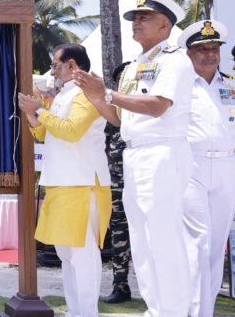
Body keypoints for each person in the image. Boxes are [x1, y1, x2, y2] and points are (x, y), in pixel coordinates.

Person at [75, 0, 194, 317]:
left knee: (163, 239)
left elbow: (158, 106)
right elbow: (117, 118)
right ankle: (156, 309)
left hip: (163, 152)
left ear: (165, 24)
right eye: (134, 18)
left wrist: (108, 94)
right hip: (135, 154)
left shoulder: (174, 59)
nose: (136, 22)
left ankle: (174, 311)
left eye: (144, 17)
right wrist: (97, 97)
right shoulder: (135, 66)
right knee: (141, 242)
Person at [18, 44, 111, 317]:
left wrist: (41, 111)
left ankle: (88, 312)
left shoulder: (86, 93)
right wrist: (32, 116)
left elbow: (72, 132)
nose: (53, 70)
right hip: (62, 181)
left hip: (82, 183)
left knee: (83, 255)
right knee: (66, 255)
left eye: (56, 65)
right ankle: (75, 311)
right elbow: (46, 135)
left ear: (71, 64)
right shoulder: (64, 94)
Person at [177, 20, 235, 317]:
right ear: (188, 53)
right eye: (202, 49)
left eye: (214, 48)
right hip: (191, 164)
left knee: (216, 246)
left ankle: (205, 311)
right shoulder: (177, 86)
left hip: (228, 166)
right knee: (197, 244)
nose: (209, 54)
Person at [103, 62, 133, 305]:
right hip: (116, 184)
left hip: (143, 179)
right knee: (119, 234)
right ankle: (120, 285)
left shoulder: (146, 106)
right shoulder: (110, 109)